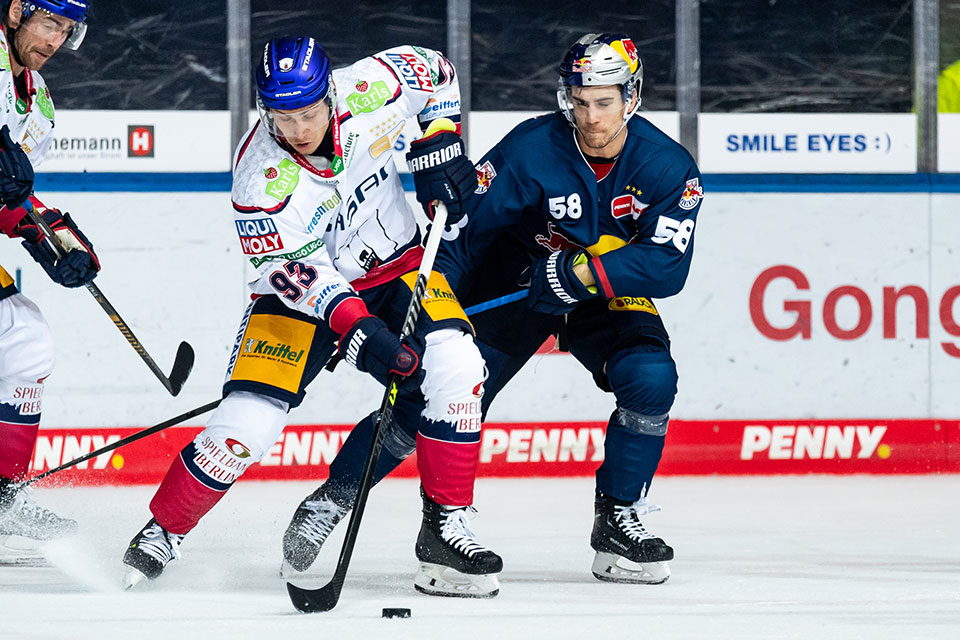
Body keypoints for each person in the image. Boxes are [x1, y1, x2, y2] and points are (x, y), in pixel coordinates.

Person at [121, 36, 503, 598]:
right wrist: (356, 327)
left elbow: (439, 73)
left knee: (459, 370)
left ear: (329, 94)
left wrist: (440, 143)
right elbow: (292, 275)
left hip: (396, 268)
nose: (298, 129)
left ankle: (441, 524)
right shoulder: (258, 181)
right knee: (247, 426)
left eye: (308, 112)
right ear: (263, 109)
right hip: (298, 296)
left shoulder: (371, 89)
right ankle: (165, 530)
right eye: (282, 115)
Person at [431, 32, 702, 584]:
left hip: (598, 293)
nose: (591, 116)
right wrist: (436, 314)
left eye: (604, 102)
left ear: (632, 97)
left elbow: (666, 267)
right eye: (580, 102)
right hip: (518, 281)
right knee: (437, 392)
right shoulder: (530, 146)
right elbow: (463, 240)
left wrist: (582, 274)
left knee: (651, 377)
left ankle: (618, 520)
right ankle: (380, 509)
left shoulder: (668, 167)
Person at [0, 0, 99, 560]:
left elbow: (9, 201)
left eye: (66, 30)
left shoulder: (39, 109)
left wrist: (51, 239)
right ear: (17, 11)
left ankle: (2, 500)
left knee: (25, 338)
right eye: (48, 24)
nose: (56, 40)